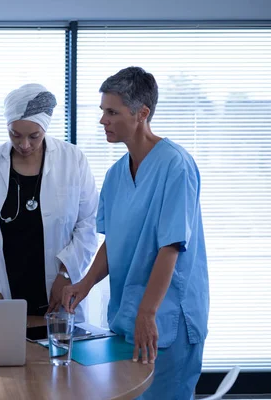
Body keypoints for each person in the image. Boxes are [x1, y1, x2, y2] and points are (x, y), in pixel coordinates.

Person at [62, 67, 209, 399]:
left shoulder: (176, 165)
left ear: (142, 114)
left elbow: (170, 246)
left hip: (166, 318)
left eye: (112, 112)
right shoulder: (116, 175)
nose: (103, 120)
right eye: (102, 111)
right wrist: (84, 285)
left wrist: (148, 311)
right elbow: (114, 242)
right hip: (128, 318)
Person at [0, 84, 98, 319]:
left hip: (59, 289)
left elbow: (88, 223)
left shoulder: (73, 160)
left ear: (45, 128)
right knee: (7, 352)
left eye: (34, 136)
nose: (24, 144)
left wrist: (66, 274)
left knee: (60, 352)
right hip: (4, 293)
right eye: (15, 134)